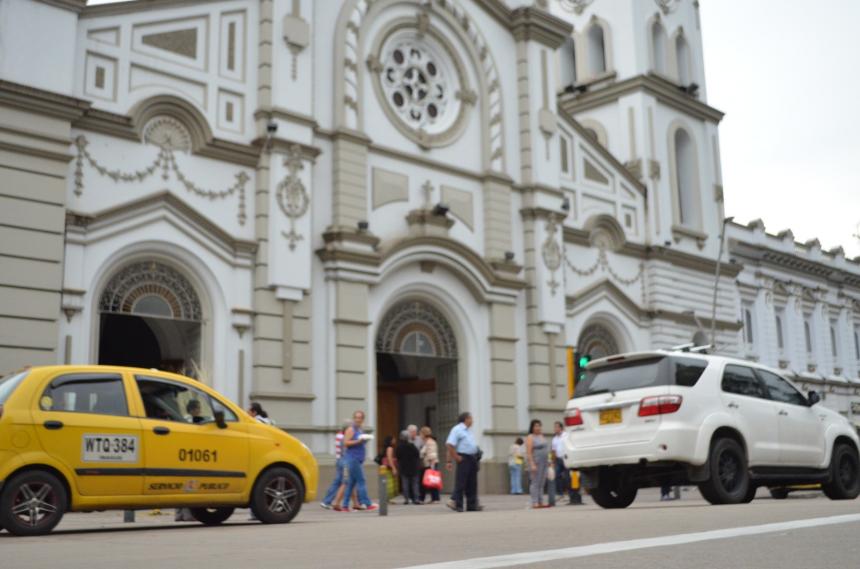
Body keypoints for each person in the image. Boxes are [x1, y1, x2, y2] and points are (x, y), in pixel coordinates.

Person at [341, 410, 379, 512]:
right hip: (353, 459)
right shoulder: (351, 429)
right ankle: (367, 503)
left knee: (351, 482)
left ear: (363, 419)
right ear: (354, 418)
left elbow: (358, 443)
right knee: (361, 480)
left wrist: (363, 441)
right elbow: (345, 443)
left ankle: (344, 506)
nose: (358, 419)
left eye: (360, 418)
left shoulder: (359, 429)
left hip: (357, 458)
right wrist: (358, 441)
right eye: (356, 417)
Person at [445, 411, 481, 512]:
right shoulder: (457, 429)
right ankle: (458, 504)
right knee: (461, 481)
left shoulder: (468, 430)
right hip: (463, 458)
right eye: (471, 418)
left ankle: (472, 505)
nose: (473, 420)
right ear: (466, 419)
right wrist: (455, 457)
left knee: (472, 482)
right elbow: (449, 444)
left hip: (472, 458)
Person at [320, 424, 348, 510]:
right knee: (345, 481)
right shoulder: (343, 437)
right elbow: (345, 450)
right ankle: (330, 502)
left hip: (339, 460)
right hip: (343, 461)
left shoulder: (339, 435)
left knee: (338, 482)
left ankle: (327, 501)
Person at [526, 419, 551, 508]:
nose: (538, 428)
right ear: (532, 427)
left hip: (544, 461)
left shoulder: (542, 436)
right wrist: (532, 464)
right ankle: (534, 502)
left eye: (539, 426)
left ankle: (540, 501)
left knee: (542, 482)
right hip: (536, 461)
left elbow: (547, 450)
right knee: (535, 482)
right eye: (536, 426)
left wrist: (549, 461)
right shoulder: (530, 437)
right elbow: (529, 452)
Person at [551, 421, 577, 505]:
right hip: (558, 459)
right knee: (556, 475)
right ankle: (560, 493)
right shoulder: (554, 439)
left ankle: (570, 494)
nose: (555, 429)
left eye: (557, 427)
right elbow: (553, 451)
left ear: (561, 428)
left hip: (566, 458)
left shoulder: (566, 435)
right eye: (554, 427)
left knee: (567, 477)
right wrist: (553, 461)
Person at [395, 430, 421, 505]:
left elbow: (398, 456)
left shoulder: (399, 447)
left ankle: (406, 499)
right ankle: (416, 499)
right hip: (414, 467)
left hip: (403, 467)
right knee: (415, 484)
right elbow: (417, 454)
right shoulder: (412, 445)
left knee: (405, 483)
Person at [419, 426, 440, 504]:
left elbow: (432, 455)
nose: (420, 435)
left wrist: (432, 467)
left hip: (430, 464)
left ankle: (433, 498)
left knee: (431, 481)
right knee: (428, 482)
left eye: (420, 433)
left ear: (424, 434)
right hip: (427, 464)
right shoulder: (426, 442)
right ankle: (433, 498)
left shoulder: (430, 442)